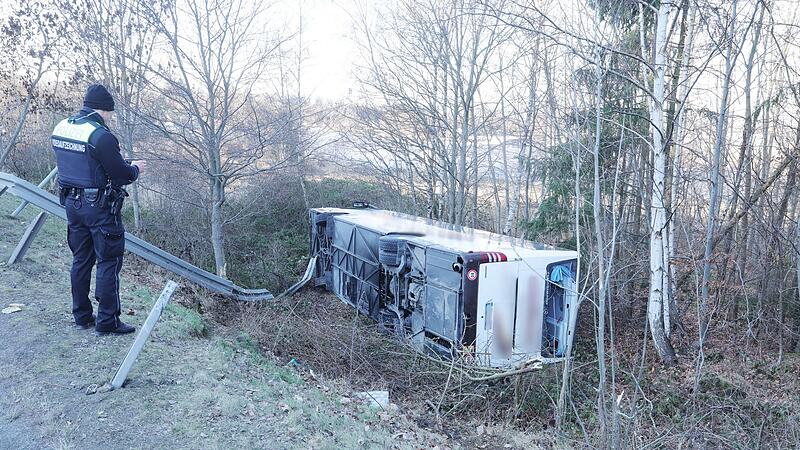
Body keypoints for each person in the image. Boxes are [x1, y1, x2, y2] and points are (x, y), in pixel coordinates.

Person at [51, 84, 147, 335]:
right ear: (104, 110)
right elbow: (120, 174)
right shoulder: (100, 135)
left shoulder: (62, 127)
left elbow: (85, 163)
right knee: (108, 261)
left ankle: (81, 316)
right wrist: (135, 168)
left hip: (72, 204)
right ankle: (107, 321)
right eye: (110, 113)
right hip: (100, 209)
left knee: (81, 259)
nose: (110, 118)